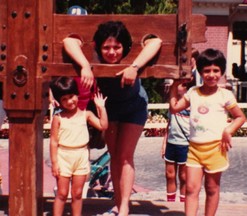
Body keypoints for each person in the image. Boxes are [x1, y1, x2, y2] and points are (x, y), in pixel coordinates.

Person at [63, 21, 162, 216]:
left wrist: (134, 66)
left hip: (134, 105)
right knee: (115, 156)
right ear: (98, 47)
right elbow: (68, 40)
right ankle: (118, 202)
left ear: (125, 47)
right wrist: (84, 65)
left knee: (125, 156)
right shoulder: (93, 56)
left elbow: (157, 41)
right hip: (108, 108)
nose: (112, 52)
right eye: (106, 47)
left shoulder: (132, 58)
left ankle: (124, 206)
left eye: (117, 47)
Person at [169, 48, 246, 216]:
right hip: (194, 150)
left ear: (222, 71)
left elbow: (240, 117)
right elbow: (174, 108)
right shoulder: (193, 93)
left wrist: (228, 130)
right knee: (191, 188)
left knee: (212, 188)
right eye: (207, 71)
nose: (212, 75)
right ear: (200, 72)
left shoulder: (225, 95)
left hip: (216, 149)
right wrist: (174, 86)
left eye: (216, 70)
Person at [49, 76, 108, 216]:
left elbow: (103, 125)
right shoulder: (58, 118)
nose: (69, 101)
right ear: (60, 101)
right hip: (64, 157)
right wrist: (54, 162)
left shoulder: (86, 115)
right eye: (64, 99)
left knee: (77, 193)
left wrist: (101, 108)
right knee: (62, 193)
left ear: (77, 94)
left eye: (71, 96)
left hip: (81, 156)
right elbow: (53, 141)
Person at [161, 81, 192, 202]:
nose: (175, 86)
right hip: (172, 142)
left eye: (178, 84)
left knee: (184, 177)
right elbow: (169, 124)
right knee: (169, 175)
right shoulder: (172, 104)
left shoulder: (191, 104)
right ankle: (171, 202)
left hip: (185, 144)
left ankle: (183, 203)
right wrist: (164, 143)